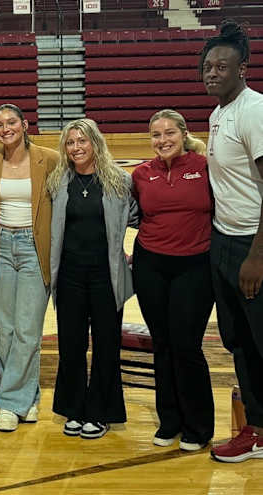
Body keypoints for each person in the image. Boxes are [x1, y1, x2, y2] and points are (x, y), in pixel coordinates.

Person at [47, 118, 138, 439]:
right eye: (70, 142)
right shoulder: (57, 182)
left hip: (107, 276)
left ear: (95, 143)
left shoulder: (119, 181)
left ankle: (100, 411)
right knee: (70, 345)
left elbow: (143, 217)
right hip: (70, 275)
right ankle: (73, 408)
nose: (76, 148)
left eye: (82, 141)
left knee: (106, 345)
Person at [131, 109, 214, 451]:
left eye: (169, 133)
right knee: (162, 343)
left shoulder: (205, 166)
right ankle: (169, 420)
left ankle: (198, 426)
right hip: (151, 264)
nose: (162, 140)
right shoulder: (140, 174)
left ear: (183, 134)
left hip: (195, 265)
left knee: (187, 344)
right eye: (156, 135)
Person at [200, 20, 263, 463]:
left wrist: (257, 257)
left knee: (260, 341)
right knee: (238, 341)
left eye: (223, 66)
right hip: (223, 242)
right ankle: (255, 428)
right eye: (207, 66)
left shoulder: (254, 110)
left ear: (243, 69)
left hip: (251, 246)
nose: (213, 72)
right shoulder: (217, 113)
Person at [0, 104, 58, 432]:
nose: (5, 128)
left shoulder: (49, 159)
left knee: (28, 329)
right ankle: (28, 398)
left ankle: (9, 403)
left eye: (11, 122)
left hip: (33, 248)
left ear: (25, 125)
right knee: (6, 329)